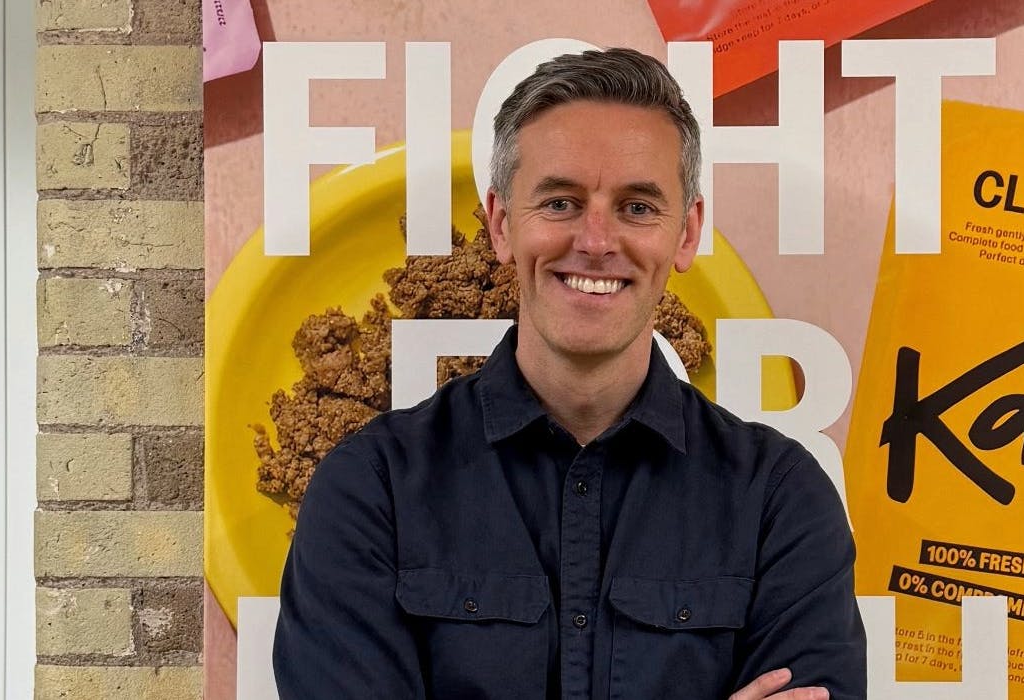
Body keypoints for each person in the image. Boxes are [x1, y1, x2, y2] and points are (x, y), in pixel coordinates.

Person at [273, 47, 866, 699]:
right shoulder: (369, 490)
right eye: (559, 203)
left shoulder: (780, 502)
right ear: (502, 224)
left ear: (686, 233)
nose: (596, 241)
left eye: (637, 207)